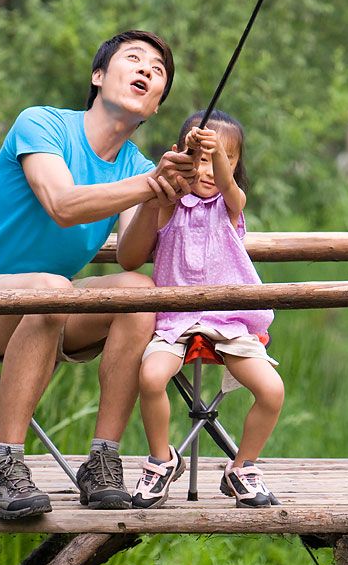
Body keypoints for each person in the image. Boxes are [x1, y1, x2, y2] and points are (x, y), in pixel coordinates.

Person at [0, 29, 198, 521]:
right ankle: (4, 464)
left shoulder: (135, 164)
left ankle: (103, 459)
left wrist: (158, 197)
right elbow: (61, 204)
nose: (146, 70)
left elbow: (130, 257)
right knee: (54, 290)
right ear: (97, 76)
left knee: (141, 294)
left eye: (158, 70)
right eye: (134, 60)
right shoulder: (42, 124)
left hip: (52, 304)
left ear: (158, 105)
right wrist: (145, 184)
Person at [118, 109, 285, 509]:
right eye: (201, 158)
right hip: (175, 320)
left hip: (227, 320)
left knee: (272, 391)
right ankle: (161, 460)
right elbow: (143, 234)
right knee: (151, 377)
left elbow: (230, 186)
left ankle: (242, 466)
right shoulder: (169, 206)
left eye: (224, 159)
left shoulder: (230, 207)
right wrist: (175, 171)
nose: (209, 170)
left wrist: (219, 160)